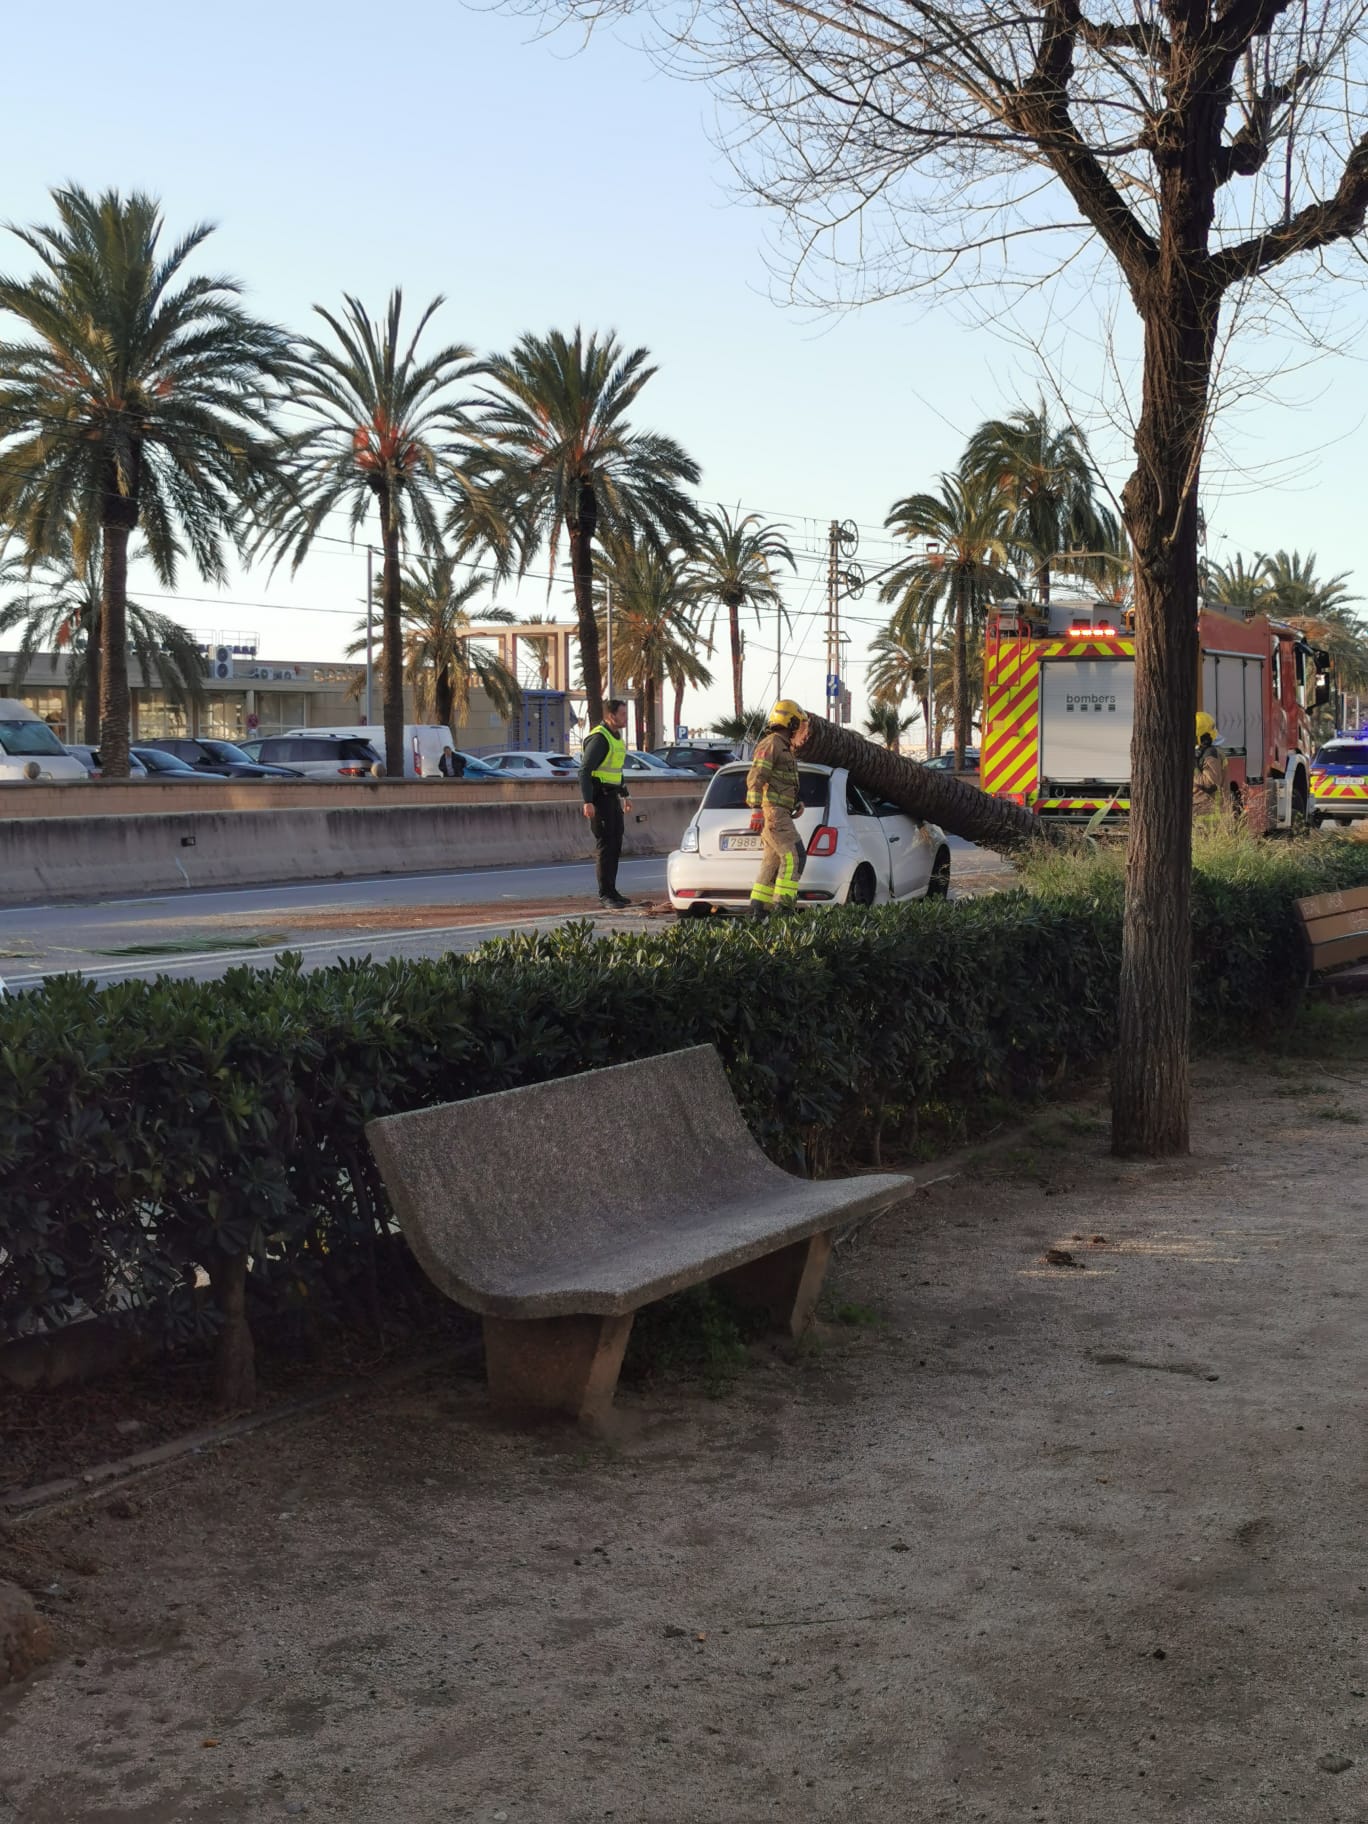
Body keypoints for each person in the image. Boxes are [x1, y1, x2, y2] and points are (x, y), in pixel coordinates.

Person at [746, 699, 806, 919]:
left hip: (779, 812)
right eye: (797, 723)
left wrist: (795, 803)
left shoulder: (781, 746)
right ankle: (784, 911)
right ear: (789, 721)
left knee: (772, 861)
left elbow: (780, 781)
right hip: (773, 814)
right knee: (794, 856)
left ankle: (757, 912)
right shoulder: (771, 744)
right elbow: (756, 776)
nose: (799, 728)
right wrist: (756, 810)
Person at [580, 699, 634, 908]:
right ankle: (605, 895)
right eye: (622, 714)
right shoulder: (600, 739)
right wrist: (587, 801)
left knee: (615, 845)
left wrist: (625, 794)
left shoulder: (616, 738)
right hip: (599, 799)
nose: (625, 718)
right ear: (610, 716)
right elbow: (584, 771)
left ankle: (613, 891)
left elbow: (615, 771)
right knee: (605, 847)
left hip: (612, 798)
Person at [1194, 711, 1225, 818]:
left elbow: (1211, 784)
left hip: (1207, 816)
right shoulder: (1207, 753)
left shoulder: (1209, 754)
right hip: (1203, 813)